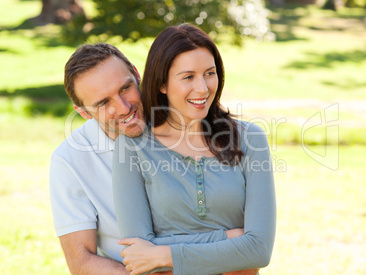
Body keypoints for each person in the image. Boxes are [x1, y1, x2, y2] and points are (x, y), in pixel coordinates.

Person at [50, 42, 255, 275]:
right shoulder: (70, 160)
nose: (124, 107)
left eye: (125, 88)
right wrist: (227, 240)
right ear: (84, 113)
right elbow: (83, 262)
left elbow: (248, 244)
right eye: (103, 103)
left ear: (137, 75)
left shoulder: (186, 119)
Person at [112, 23, 276, 275]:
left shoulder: (250, 138)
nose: (202, 88)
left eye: (209, 73)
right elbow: (138, 256)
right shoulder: (132, 146)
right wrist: (231, 239)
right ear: (162, 84)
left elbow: (259, 250)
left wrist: (163, 253)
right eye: (188, 77)